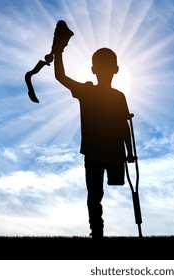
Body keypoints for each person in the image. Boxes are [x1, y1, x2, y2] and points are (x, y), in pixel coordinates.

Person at [52, 27, 135, 239]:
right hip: (95, 151)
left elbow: (125, 125)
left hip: (109, 150)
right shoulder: (89, 91)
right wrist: (58, 51)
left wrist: (129, 152)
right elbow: (60, 76)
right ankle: (97, 231)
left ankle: (97, 230)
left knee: (103, 190)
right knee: (95, 194)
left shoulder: (117, 96)